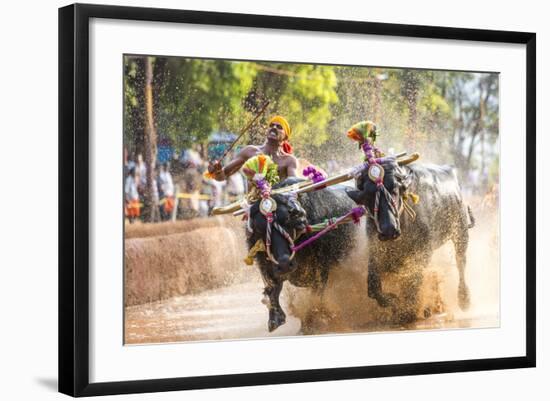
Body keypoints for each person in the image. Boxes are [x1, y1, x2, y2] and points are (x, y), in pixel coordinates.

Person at [207, 115, 298, 182]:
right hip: (251, 204)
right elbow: (223, 176)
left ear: (286, 137)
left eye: (279, 127)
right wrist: (217, 172)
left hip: (278, 205)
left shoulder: (289, 160)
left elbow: (294, 186)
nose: (274, 127)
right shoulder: (250, 151)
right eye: (271, 125)